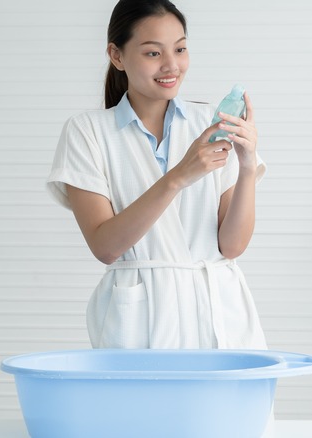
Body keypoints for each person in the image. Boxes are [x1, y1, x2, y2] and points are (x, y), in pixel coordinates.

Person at [46, 0, 267, 351]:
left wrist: (247, 164)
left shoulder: (210, 123)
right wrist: (178, 176)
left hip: (220, 314)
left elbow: (232, 246)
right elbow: (105, 247)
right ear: (117, 56)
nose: (171, 65)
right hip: (139, 322)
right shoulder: (87, 132)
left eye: (180, 49)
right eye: (153, 53)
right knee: (139, 405)